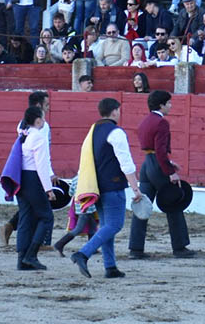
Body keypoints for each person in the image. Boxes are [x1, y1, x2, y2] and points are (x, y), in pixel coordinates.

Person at [69, 98, 143, 279]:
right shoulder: (116, 132)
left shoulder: (92, 132)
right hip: (112, 185)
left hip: (96, 187)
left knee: (106, 226)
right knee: (114, 225)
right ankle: (83, 253)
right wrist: (136, 189)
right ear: (115, 111)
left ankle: (110, 267)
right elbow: (126, 163)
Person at [128, 90, 195, 260]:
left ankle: (135, 248)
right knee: (173, 203)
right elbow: (160, 150)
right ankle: (179, 247)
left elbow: (152, 151)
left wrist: (166, 163)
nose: (171, 106)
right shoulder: (161, 123)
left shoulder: (145, 121)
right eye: (169, 103)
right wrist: (170, 171)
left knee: (143, 204)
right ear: (161, 105)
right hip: (158, 167)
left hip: (146, 165)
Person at [10, 104, 56, 270]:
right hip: (33, 179)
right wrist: (48, 189)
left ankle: (21, 260)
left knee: (25, 218)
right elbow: (41, 165)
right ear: (38, 121)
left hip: (21, 179)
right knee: (46, 217)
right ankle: (31, 255)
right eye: (43, 117)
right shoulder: (38, 137)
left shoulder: (25, 134)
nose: (44, 120)